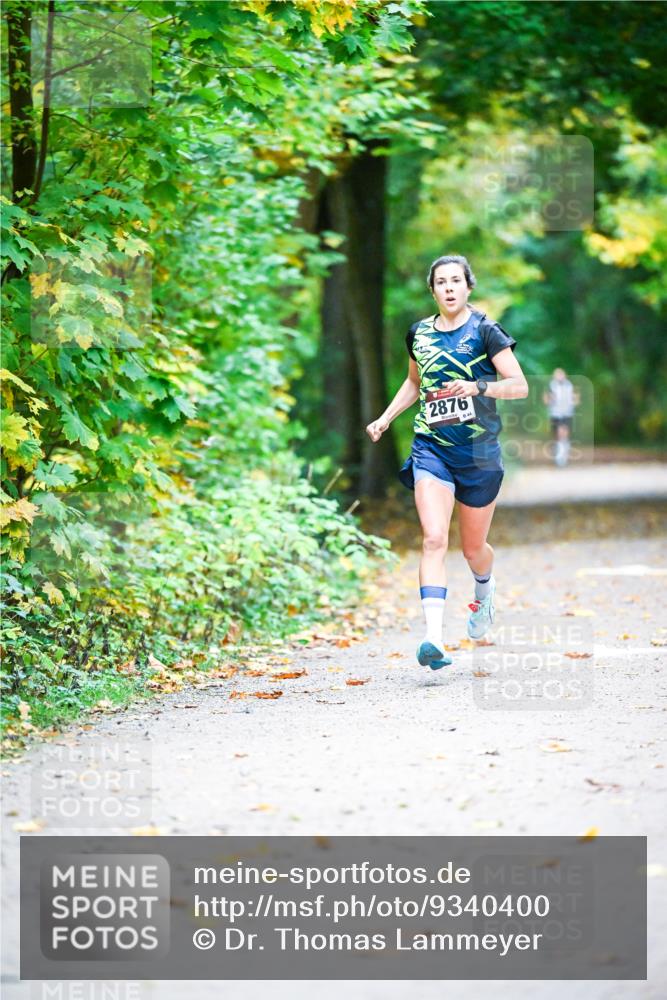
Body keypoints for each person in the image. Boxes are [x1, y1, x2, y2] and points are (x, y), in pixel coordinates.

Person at [366, 255, 528, 670]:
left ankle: (484, 592)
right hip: (431, 447)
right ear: (433, 290)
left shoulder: (486, 331)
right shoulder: (418, 333)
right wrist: (386, 418)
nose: (449, 287)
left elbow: (519, 386)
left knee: (473, 549)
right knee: (434, 538)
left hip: (478, 453)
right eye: (441, 282)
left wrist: (476, 386)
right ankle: (433, 638)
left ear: (468, 286)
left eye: (456, 280)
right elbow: (414, 382)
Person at [543, 368, 579, 467]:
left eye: (560, 374)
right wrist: (550, 400)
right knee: (558, 435)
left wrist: (573, 401)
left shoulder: (569, 385)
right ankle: (559, 455)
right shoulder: (551, 386)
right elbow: (546, 399)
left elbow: (576, 398)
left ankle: (562, 458)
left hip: (567, 413)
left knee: (564, 434)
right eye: (557, 375)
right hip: (555, 414)